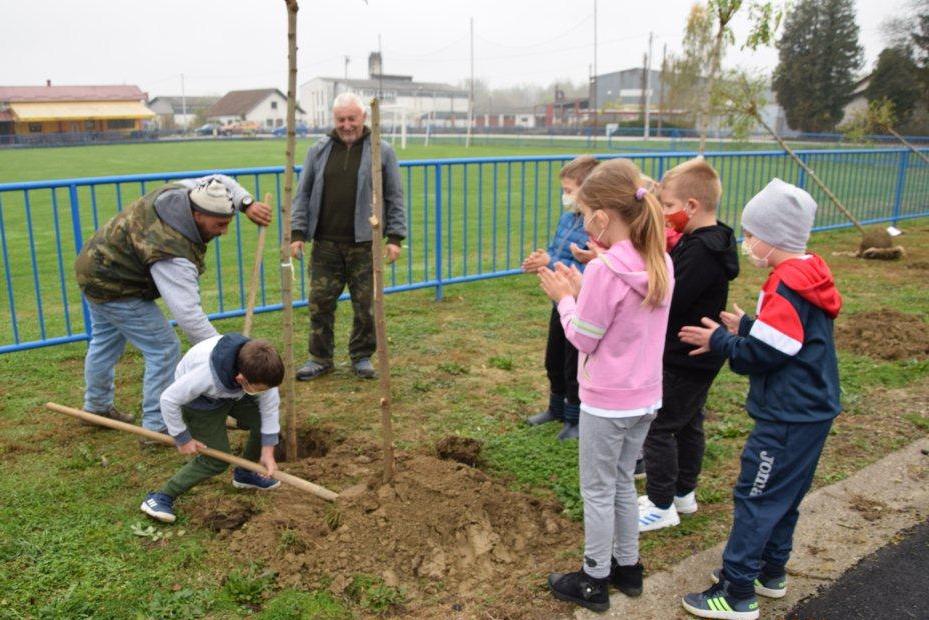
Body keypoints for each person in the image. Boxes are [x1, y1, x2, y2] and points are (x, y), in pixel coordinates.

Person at [677, 178, 842, 620]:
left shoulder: (785, 283)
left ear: (773, 237)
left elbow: (766, 355)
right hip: (813, 410)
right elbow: (791, 338)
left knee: (757, 496)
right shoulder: (807, 272)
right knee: (784, 497)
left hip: (787, 415)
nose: (747, 243)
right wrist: (748, 325)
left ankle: (736, 592)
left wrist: (722, 342)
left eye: (751, 235)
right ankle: (771, 572)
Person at [538, 159, 674, 612]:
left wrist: (566, 299)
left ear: (601, 216)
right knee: (619, 482)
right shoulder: (658, 261)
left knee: (597, 489)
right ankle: (628, 567)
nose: (580, 220)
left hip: (606, 402)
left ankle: (594, 576)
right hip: (644, 398)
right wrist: (583, 291)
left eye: (583, 212)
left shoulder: (604, 271)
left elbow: (583, 337)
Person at [75, 175, 272, 435]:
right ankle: (158, 426)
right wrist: (231, 356)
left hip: (95, 265)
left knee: (104, 341)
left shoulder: (185, 192)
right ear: (198, 215)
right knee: (164, 348)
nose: (224, 232)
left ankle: (96, 407)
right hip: (116, 285)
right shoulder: (171, 252)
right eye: (220, 224)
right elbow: (189, 317)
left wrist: (245, 203)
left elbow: (218, 179)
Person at [638, 159, 739, 532]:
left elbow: (671, 299)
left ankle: (662, 505)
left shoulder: (699, 251)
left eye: (667, 206)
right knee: (689, 422)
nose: (664, 213)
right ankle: (683, 494)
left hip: (684, 355)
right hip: (698, 355)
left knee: (659, 427)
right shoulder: (712, 241)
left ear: (691, 206)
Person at [290, 92, 406, 381]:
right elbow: (303, 194)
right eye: (340, 119)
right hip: (325, 245)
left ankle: (362, 356)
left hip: (364, 245)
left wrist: (395, 237)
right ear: (334, 120)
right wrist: (297, 233)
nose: (346, 124)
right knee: (319, 303)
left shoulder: (382, 151)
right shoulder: (318, 150)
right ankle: (319, 358)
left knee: (365, 305)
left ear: (363, 118)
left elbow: (394, 196)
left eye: (351, 118)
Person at [140, 334, 284, 523]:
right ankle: (160, 497)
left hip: (232, 394)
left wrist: (267, 451)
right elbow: (168, 399)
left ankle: (245, 474)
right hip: (200, 401)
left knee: (263, 425)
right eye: (260, 388)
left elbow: (270, 408)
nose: (265, 392)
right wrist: (182, 437)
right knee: (216, 459)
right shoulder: (203, 376)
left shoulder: (260, 369)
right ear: (241, 379)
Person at [521, 155, 599, 440]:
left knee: (574, 364)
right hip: (560, 302)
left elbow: (590, 268)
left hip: (582, 306)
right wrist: (542, 260)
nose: (565, 196)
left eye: (569, 190)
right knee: (553, 359)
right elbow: (558, 252)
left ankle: (576, 418)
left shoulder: (596, 226)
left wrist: (550, 261)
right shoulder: (569, 218)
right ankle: (555, 407)